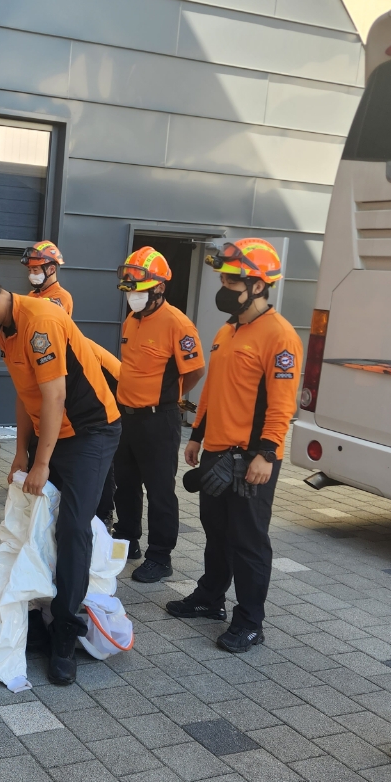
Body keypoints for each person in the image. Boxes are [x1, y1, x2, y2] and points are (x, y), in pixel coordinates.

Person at [0, 258, 121, 685]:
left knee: (72, 527)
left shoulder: (40, 321)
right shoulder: (4, 327)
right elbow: (25, 392)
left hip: (90, 431)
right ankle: (40, 605)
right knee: (36, 523)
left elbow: (54, 397)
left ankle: (66, 631)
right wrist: (20, 453)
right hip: (52, 430)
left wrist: (41, 463)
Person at [169, 239, 301, 653]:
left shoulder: (280, 336)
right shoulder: (228, 330)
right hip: (216, 453)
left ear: (258, 286)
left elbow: (282, 404)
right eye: (223, 279)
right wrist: (196, 434)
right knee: (217, 533)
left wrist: (266, 453)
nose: (223, 287)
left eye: (231, 281)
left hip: (250, 460)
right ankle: (210, 598)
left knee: (248, 541)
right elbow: (213, 389)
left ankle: (250, 622)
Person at [112, 247, 204, 583]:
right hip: (127, 417)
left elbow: (195, 371)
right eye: (130, 290)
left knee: (160, 489)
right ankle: (127, 539)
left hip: (158, 419)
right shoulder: (132, 319)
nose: (132, 296)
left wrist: (169, 397)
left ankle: (160, 556)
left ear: (159, 288)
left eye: (138, 290)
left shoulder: (178, 323)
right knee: (125, 484)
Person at [23, 240, 73, 315]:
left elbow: (43, 314)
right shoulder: (32, 294)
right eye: (29, 270)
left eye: (35, 270)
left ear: (51, 269)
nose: (31, 274)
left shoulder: (62, 296)